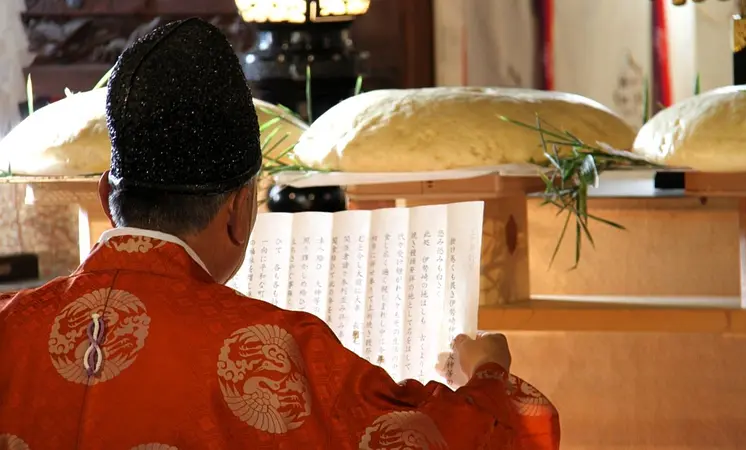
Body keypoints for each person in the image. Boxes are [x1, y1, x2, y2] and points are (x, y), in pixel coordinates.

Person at [0, 18, 559, 449]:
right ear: (241, 210)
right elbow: (479, 438)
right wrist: (488, 375)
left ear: (106, 196)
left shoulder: (10, 329)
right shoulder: (278, 357)